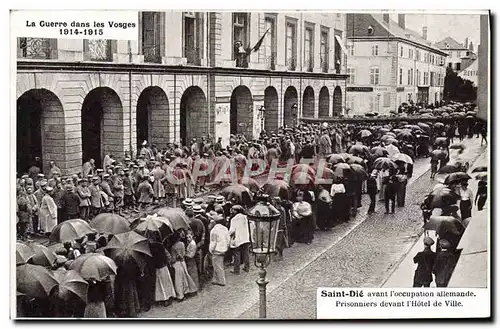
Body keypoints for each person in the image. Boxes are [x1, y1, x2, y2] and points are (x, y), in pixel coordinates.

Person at [170, 231, 198, 300]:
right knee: (185, 276)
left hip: (177, 263)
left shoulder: (173, 247)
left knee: (178, 279)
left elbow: (173, 258)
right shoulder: (182, 244)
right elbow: (183, 253)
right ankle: (188, 290)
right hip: (183, 261)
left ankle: (180, 295)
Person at [228, 205, 250, 274]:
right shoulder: (245, 217)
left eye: (233, 210)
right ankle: (247, 267)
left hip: (238, 238)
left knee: (237, 254)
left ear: (236, 211)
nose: (232, 211)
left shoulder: (234, 219)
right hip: (245, 237)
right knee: (246, 253)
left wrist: (227, 235)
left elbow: (232, 231)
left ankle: (236, 270)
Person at [209, 215, 230, 286]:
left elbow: (213, 242)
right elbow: (228, 239)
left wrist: (211, 250)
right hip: (224, 248)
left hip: (217, 250)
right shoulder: (225, 229)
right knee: (217, 264)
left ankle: (221, 280)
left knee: (217, 265)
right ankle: (215, 279)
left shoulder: (213, 230)